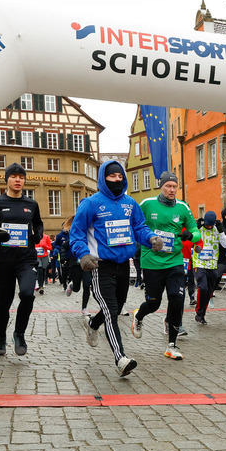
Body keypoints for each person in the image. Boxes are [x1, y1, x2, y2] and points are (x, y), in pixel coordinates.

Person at [71, 161, 160, 376]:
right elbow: (77, 233)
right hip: (99, 266)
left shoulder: (130, 203)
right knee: (111, 310)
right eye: (112, 177)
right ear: (104, 178)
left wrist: (151, 238)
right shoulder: (90, 204)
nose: (117, 180)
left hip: (123, 266)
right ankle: (120, 358)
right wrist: (83, 255)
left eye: (120, 176)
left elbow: (139, 227)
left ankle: (93, 323)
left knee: (117, 307)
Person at [0, 162, 44, 356]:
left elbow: (39, 224)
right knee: (3, 303)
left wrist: (37, 235)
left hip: (26, 259)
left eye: (21, 177)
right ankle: (0, 337)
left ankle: (19, 333)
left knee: (28, 294)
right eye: (14, 176)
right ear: (7, 179)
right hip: (5, 259)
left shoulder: (31, 204)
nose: (18, 180)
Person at [131, 171, 200, 360]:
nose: (171, 190)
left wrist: (190, 236)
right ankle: (139, 316)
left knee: (177, 299)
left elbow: (196, 232)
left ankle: (172, 345)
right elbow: (134, 225)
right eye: (168, 186)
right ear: (161, 186)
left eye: (174, 186)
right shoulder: (147, 204)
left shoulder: (183, 207)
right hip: (152, 261)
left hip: (175, 261)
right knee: (154, 303)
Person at [192, 211, 222, 325]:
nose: (209, 227)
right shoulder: (199, 229)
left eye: (211, 225)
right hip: (199, 263)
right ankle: (199, 311)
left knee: (209, 290)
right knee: (203, 288)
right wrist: (196, 228)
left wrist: (222, 231)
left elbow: (225, 244)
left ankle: (202, 314)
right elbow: (191, 239)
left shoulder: (217, 230)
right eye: (207, 224)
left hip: (212, 264)